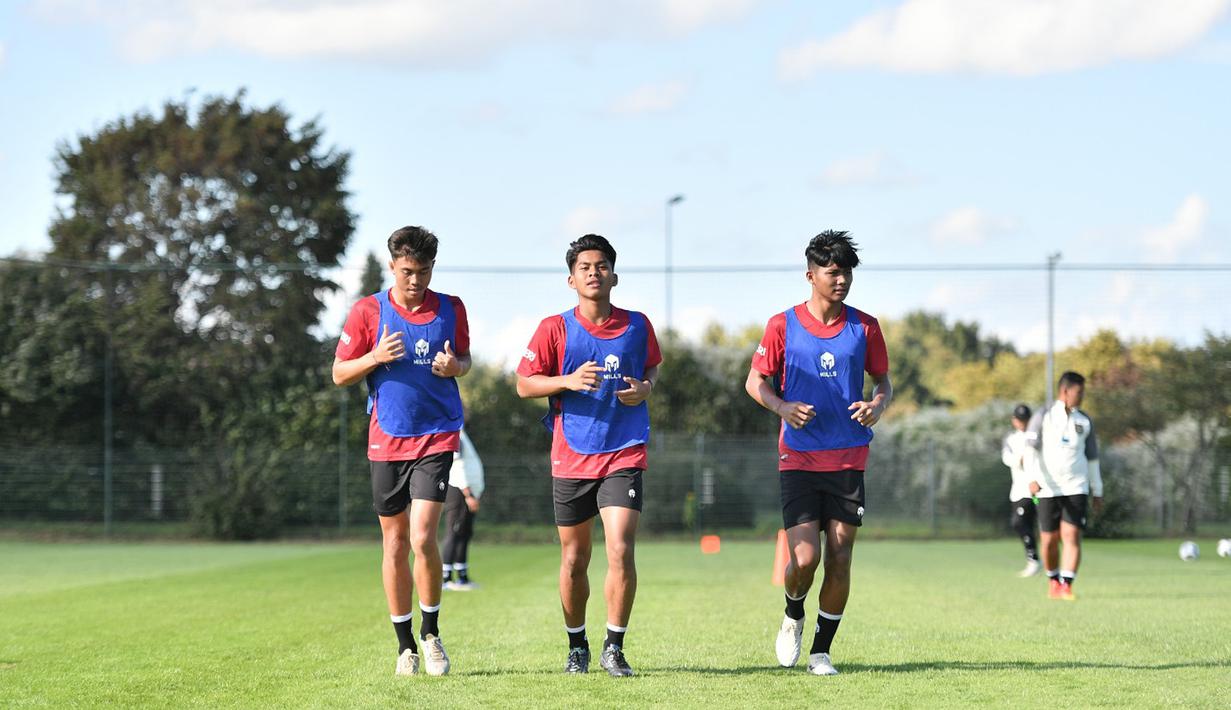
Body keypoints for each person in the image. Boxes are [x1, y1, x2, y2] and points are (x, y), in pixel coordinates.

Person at [745, 230, 892, 677]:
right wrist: (782, 406)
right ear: (811, 275)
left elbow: (883, 381)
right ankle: (793, 614)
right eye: (832, 272)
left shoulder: (864, 326)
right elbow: (756, 382)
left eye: (846, 272)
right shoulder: (781, 325)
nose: (841, 280)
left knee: (842, 556)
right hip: (800, 459)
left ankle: (821, 652)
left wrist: (877, 405)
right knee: (805, 559)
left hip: (849, 458)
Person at [515, 234, 661, 677]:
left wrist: (646, 388)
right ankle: (576, 645)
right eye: (585, 267)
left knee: (620, 547)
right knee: (575, 558)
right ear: (571, 278)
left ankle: (613, 647)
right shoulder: (553, 329)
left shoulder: (638, 325)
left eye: (601, 266)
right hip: (573, 454)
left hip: (624, 451)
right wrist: (567, 380)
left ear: (614, 274)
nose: (593, 273)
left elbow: (652, 365)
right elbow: (524, 384)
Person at [331, 226, 471, 677]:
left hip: (437, 435)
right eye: (408, 271)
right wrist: (373, 357)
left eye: (425, 271)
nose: (416, 280)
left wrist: (456, 366)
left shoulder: (451, 309)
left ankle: (432, 635)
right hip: (387, 437)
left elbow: (465, 360)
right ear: (393, 265)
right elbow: (339, 373)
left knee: (422, 536)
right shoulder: (368, 312)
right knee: (393, 543)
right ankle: (404, 645)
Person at [1024, 371, 1103, 601]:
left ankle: (1066, 584)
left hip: (1076, 486)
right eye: (1079, 392)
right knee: (1048, 540)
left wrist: (1097, 489)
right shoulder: (1043, 415)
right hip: (1047, 487)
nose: (1082, 396)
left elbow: (1092, 458)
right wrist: (1031, 477)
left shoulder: (1084, 420)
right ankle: (1053, 580)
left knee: (1072, 534)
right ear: (1065, 391)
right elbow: (1030, 449)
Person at [443, 428, 484, 591]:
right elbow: (456, 465)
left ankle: (462, 576)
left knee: (465, 533)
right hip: (459, 490)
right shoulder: (454, 432)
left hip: (468, 492)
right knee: (454, 532)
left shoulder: (462, 433)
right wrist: (468, 494)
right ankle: (445, 578)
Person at [1002, 404, 1041, 577]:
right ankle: (1033, 559)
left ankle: (1039, 560)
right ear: (1014, 420)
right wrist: (1022, 458)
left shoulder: (1038, 436)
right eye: (1020, 420)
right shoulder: (1011, 439)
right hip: (1020, 490)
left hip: (1037, 492)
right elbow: (1007, 459)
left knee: (1038, 523)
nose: (1023, 423)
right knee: (1020, 523)